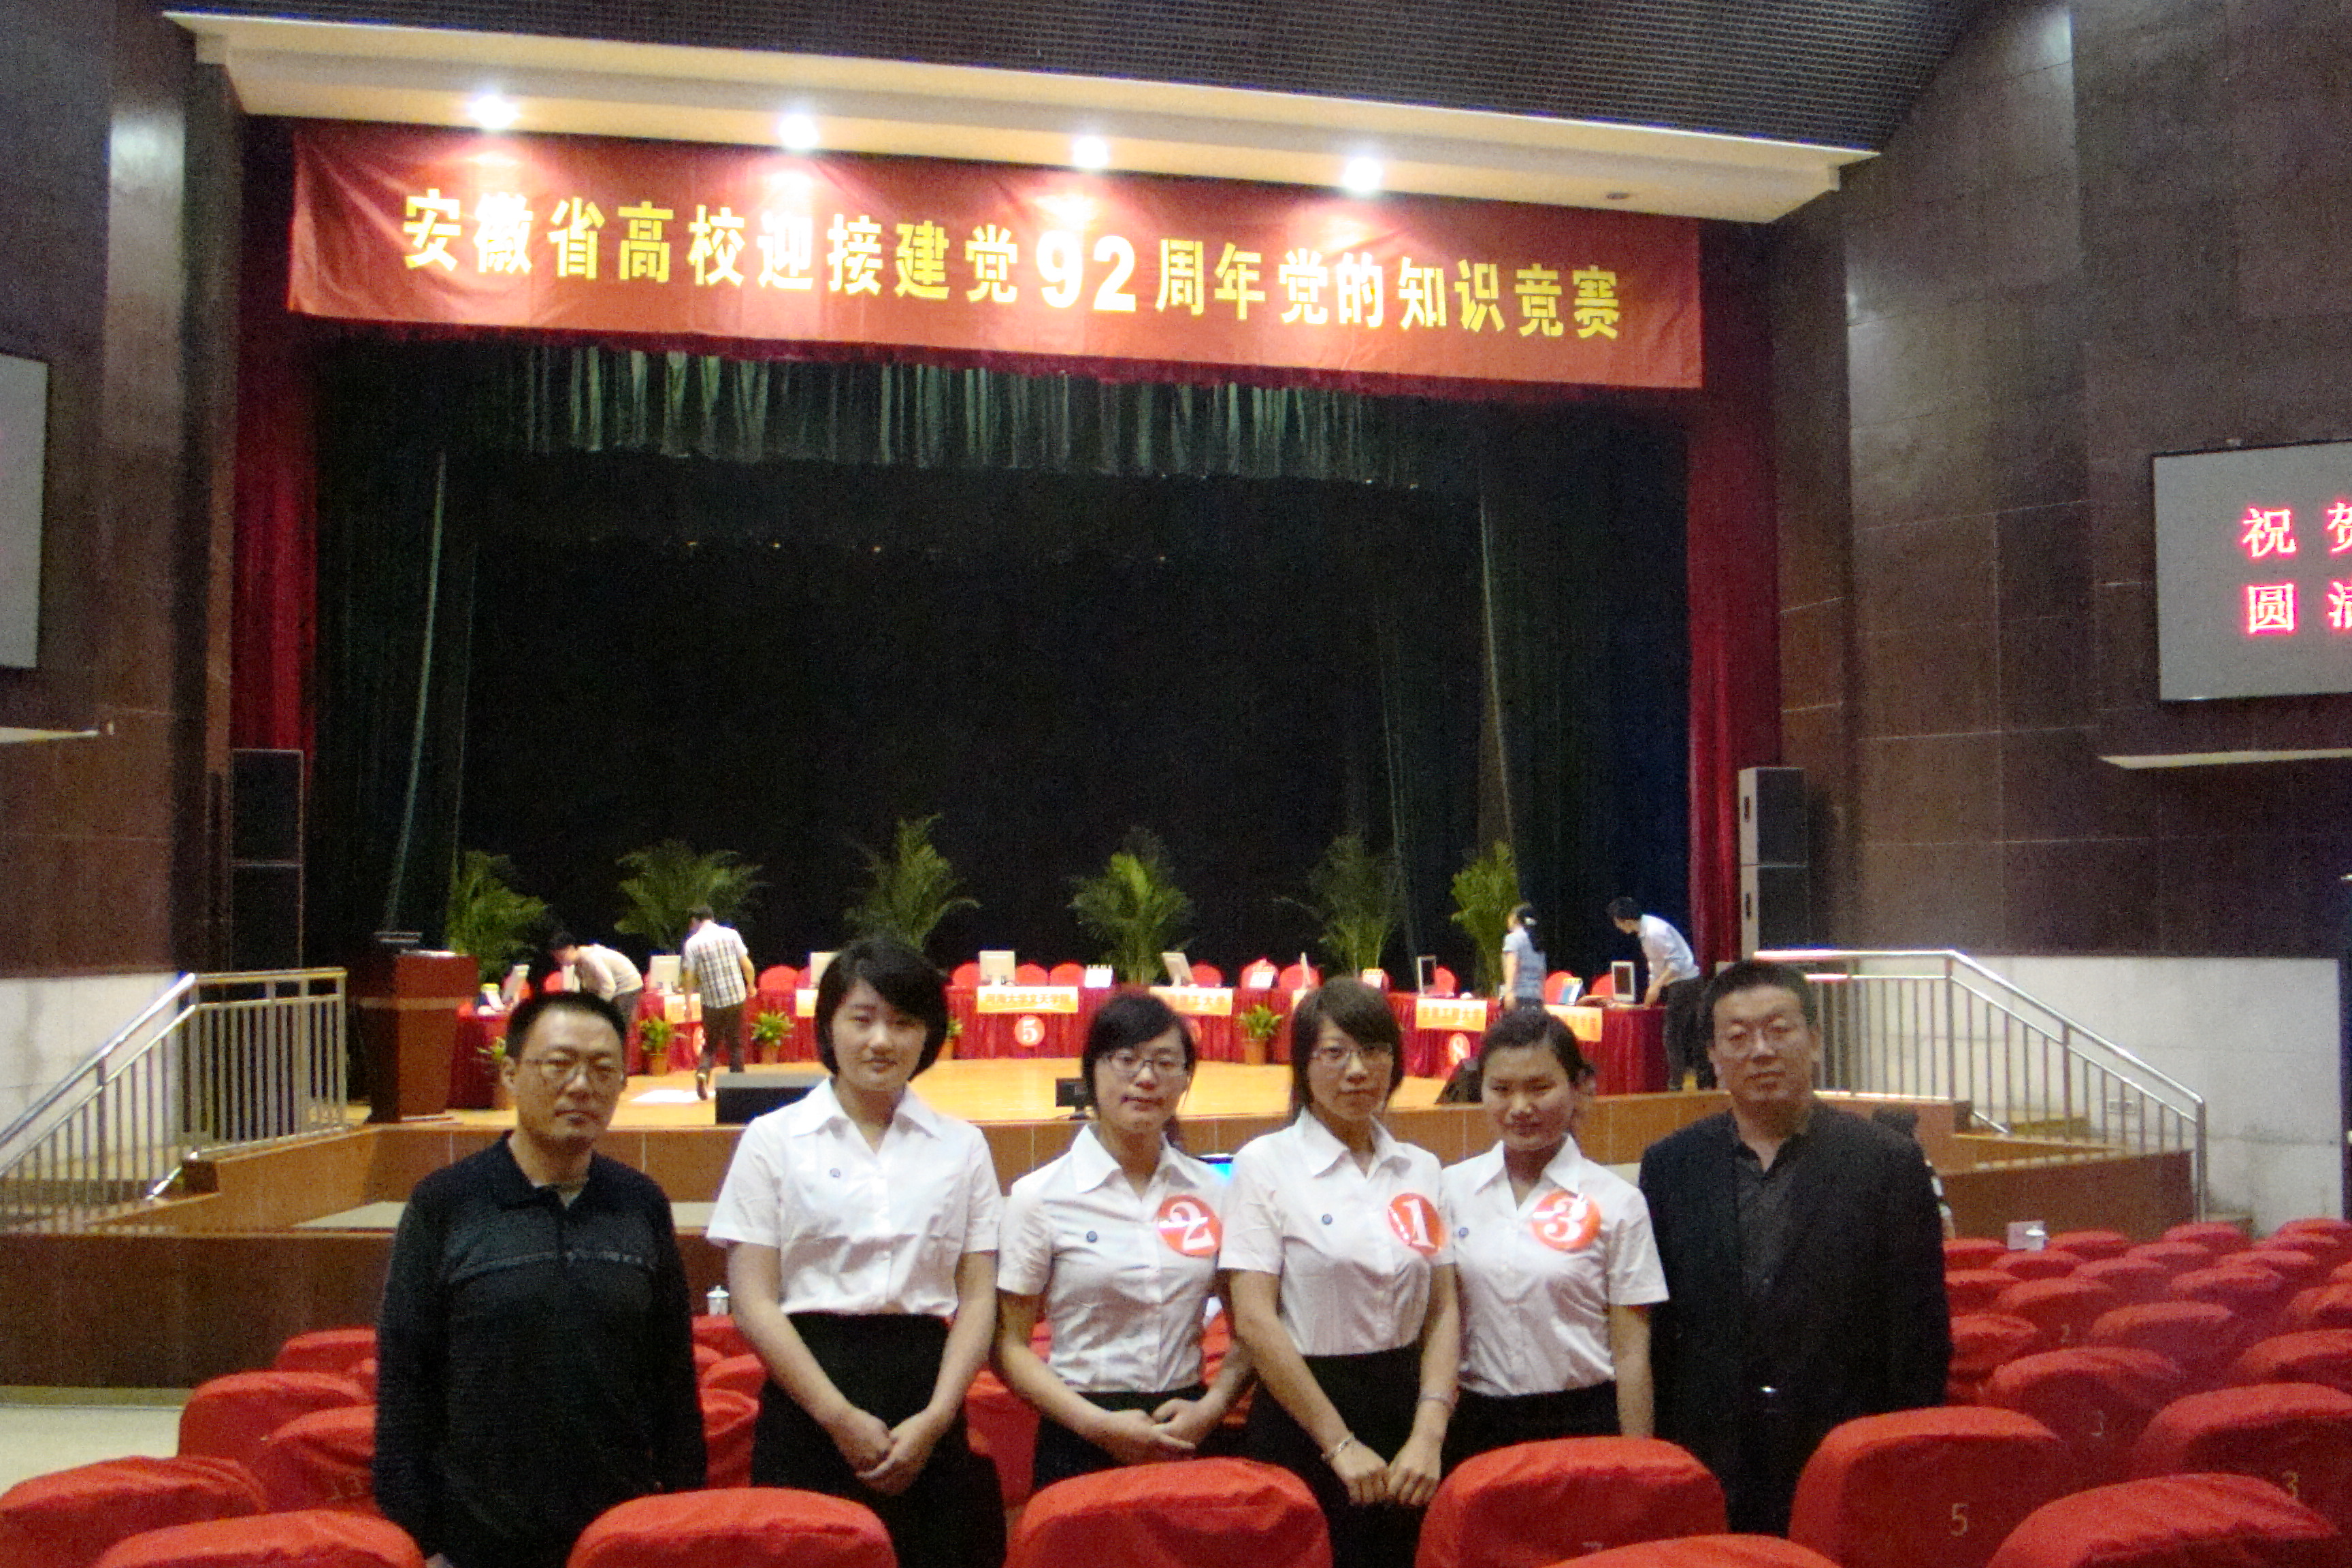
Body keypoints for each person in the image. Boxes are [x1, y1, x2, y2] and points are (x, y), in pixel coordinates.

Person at [374, 991, 704, 1568]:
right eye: (559, 1064)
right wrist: (425, 1542)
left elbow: (673, 1379)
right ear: (511, 1074)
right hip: (478, 1545)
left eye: (602, 1069)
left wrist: (676, 1520)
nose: (581, 1086)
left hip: (620, 1540)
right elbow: (406, 1384)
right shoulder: (447, 1204)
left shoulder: (640, 1203)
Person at [707, 936, 1005, 1568]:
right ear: (828, 1026)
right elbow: (753, 1302)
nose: (881, 1041)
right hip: (808, 1395)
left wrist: (937, 1419)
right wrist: (837, 1416)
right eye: (862, 1019)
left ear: (929, 1035)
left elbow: (979, 1298)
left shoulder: (963, 1147)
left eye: (903, 1023)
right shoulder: (773, 1140)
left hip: (926, 1396)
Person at [1637, 958, 1949, 1535]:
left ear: (1815, 1040)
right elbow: (1663, 1331)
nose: (1761, 1051)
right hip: (1714, 1453)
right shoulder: (1670, 1166)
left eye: (1779, 1030)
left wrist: (1900, 1452)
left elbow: (1919, 1334)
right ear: (1713, 1056)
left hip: (1845, 1449)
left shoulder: (1887, 1163)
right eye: (1738, 1037)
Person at [1223, 978, 1458, 1568]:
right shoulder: (1265, 1164)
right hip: (1305, 1414)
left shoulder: (1421, 1169)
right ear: (1303, 1066)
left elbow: (1443, 1309)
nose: (1357, 1071)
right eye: (1335, 1053)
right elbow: (1254, 1319)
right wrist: (1339, 1444)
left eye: (1373, 1051)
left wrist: (1429, 1433)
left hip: (1406, 1416)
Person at [995, 992, 1256, 1488]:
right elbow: (1009, 1345)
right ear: (1092, 1072)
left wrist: (1213, 1407)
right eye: (1126, 1059)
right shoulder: (1039, 1196)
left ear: (1185, 1079)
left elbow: (1251, 1326)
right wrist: (1096, 1425)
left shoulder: (1215, 1192)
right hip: (1078, 1429)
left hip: (1185, 1424)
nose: (1146, 1078)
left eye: (1165, 1062)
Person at [1442, 1008, 1665, 1465]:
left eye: (1539, 1088)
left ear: (1579, 1087)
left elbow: (1631, 1353)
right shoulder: (1448, 1191)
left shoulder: (1618, 1202)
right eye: (1501, 1089)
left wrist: (1638, 1464)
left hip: (1584, 1422)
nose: (1520, 1107)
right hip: (1476, 1424)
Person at [1607, 897, 1705, 1088]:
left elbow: (1676, 964)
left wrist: (1657, 986)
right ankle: (1686, 1080)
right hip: (1675, 984)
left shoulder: (1655, 931)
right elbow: (1656, 965)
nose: (1617, 926)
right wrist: (1652, 988)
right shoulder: (1645, 932)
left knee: (1674, 1034)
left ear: (1625, 920)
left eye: (1616, 922)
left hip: (1686, 983)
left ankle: (1677, 1083)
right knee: (1679, 1033)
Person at [681, 904, 755, 1097]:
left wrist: (687, 1003)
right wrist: (751, 985)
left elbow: (688, 977)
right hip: (736, 996)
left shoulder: (692, 944)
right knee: (735, 1042)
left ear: (695, 921)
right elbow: (747, 965)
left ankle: (703, 1073)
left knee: (711, 1044)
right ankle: (738, 1088)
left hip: (712, 1001)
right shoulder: (731, 934)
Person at [550, 932, 643, 1048]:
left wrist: (600, 1007)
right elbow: (589, 989)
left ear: (571, 949)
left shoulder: (590, 958)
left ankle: (621, 1054)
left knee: (618, 1025)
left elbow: (608, 986)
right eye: (557, 958)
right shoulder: (578, 965)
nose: (560, 961)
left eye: (561, 956)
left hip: (627, 987)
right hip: (615, 990)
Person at [1499, 903, 1546, 1009]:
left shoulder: (1513, 938)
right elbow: (1542, 972)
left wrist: (1509, 992)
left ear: (1515, 918)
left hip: (1518, 996)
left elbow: (1512, 965)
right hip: (1536, 996)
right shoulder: (1538, 940)